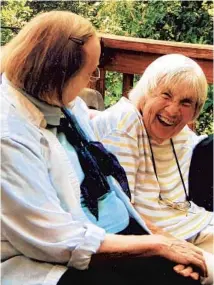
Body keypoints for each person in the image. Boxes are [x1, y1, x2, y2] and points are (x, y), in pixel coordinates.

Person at [0, 11, 210, 285]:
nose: (91, 80)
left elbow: (86, 126)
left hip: (111, 234)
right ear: (58, 75)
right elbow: (57, 240)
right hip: (53, 259)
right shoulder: (10, 137)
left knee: (186, 275)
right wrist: (157, 246)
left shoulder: (60, 102)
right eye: (90, 72)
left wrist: (163, 245)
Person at [92, 53, 214, 282]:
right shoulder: (124, 126)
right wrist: (175, 248)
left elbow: (198, 147)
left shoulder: (174, 130)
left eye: (186, 102)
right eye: (166, 95)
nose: (173, 110)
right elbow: (123, 211)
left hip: (192, 227)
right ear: (146, 91)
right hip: (154, 242)